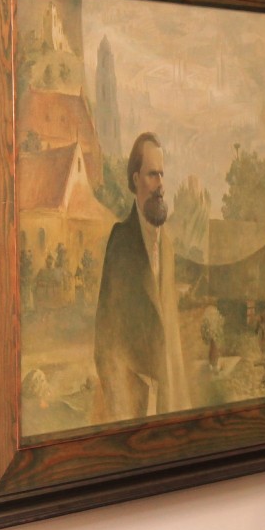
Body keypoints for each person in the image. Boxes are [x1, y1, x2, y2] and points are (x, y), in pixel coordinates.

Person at [94, 132, 191, 423]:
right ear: (136, 179)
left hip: (166, 406)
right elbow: (105, 340)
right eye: (152, 175)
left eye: (162, 175)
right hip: (132, 407)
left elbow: (171, 336)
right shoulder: (121, 241)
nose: (160, 185)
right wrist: (121, 407)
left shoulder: (168, 247)